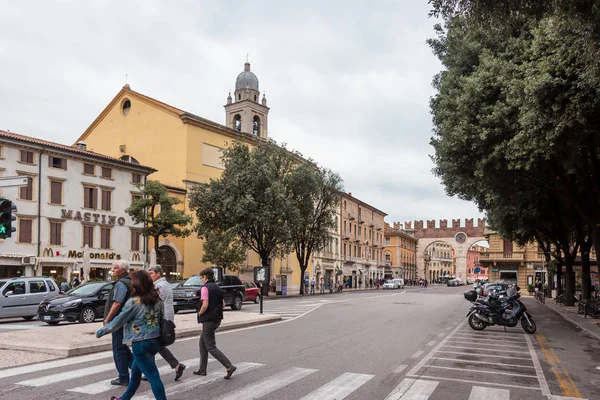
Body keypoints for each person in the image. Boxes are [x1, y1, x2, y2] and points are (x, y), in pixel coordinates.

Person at [96, 270, 167, 400]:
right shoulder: (157, 299)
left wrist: (102, 331)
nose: (131, 284)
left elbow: (119, 320)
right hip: (155, 341)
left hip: (140, 343)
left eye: (133, 282)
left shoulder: (134, 302)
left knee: (153, 377)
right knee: (135, 375)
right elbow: (162, 319)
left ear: (137, 284)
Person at [194, 268, 236, 379]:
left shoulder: (205, 288)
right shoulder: (218, 288)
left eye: (201, 278)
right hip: (217, 319)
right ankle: (202, 369)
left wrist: (200, 313)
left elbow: (205, 304)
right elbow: (223, 305)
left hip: (208, 320)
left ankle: (229, 366)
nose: (201, 280)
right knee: (202, 344)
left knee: (211, 347)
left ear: (205, 277)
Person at [148, 265, 186, 381]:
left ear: (158, 274)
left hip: (161, 318)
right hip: (164, 318)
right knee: (156, 345)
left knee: (154, 345)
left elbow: (153, 302)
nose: (150, 276)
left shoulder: (160, 286)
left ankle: (152, 371)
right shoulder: (163, 284)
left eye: (151, 274)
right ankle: (175, 365)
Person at [104, 261, 134, 386]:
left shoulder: (121, 283)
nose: (113, 270)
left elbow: (117, 303)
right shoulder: (129, 281)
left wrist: (108, 319)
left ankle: (123, 377)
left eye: (115, 268)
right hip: (126, 318)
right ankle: (143, 369)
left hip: (118, 320)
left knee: (118, 349)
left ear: (122, 270)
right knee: (123, 348)